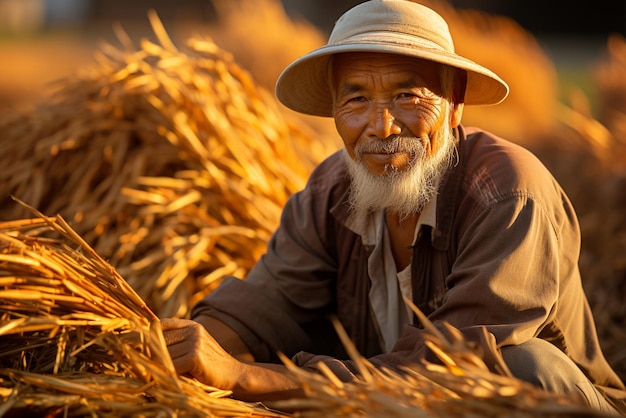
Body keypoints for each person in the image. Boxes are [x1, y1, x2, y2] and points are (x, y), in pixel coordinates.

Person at [161, 0, 626, 412]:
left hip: (543, 402)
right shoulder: (329, 190)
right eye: (357, 98)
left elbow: (448, 370)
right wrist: (176, 350)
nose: (382, 127)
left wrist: (244, 377)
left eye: (407, 95)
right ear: (335, 112)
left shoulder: (508, 194)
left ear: (455, 103)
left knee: (523, 365)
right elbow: (266, 303)